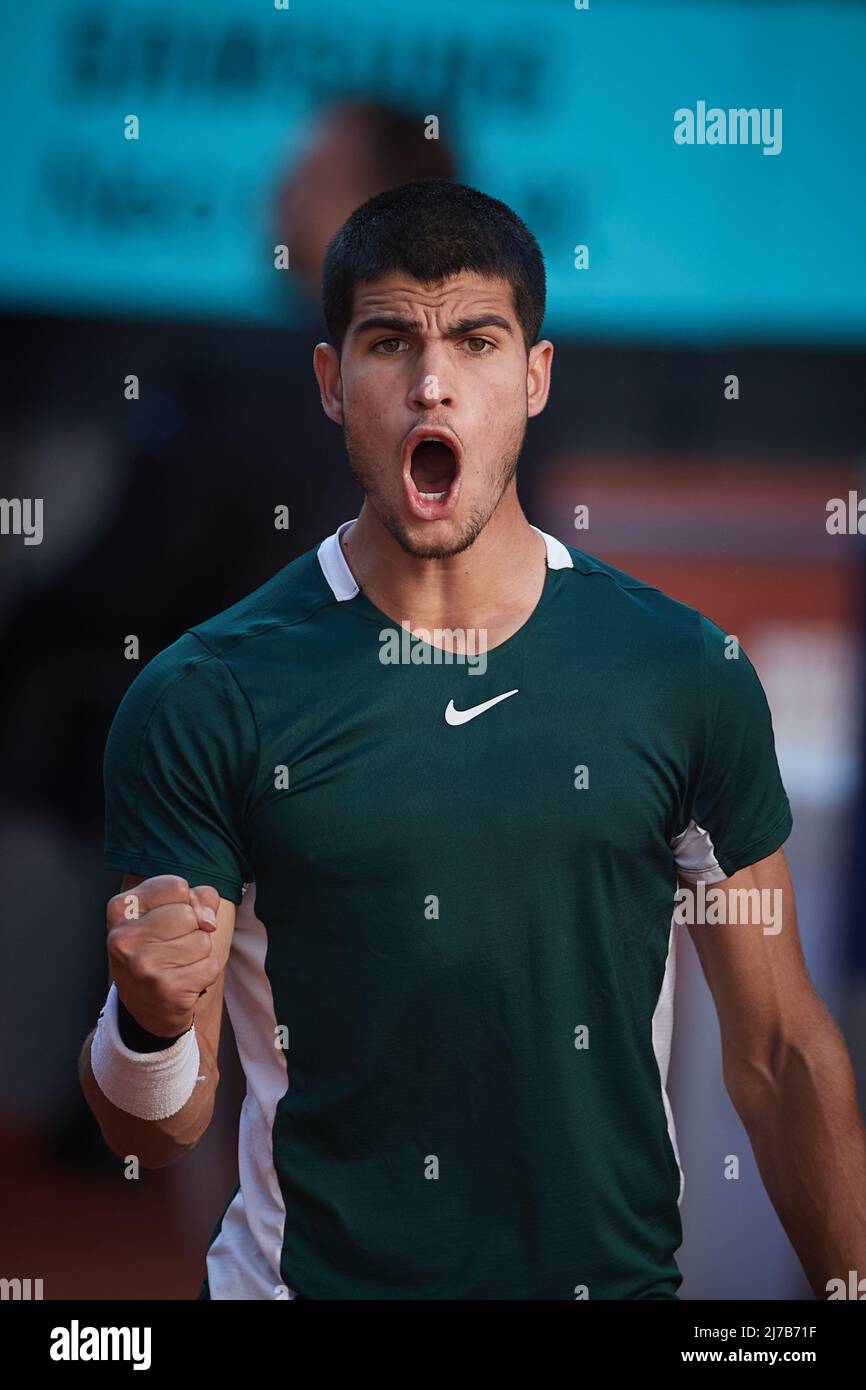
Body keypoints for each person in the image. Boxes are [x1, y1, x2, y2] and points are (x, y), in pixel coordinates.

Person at [79, 179, 866, 1300]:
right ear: (329, 383)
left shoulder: (682, 673)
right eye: (389, 340)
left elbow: (780, 1051)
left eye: (477, 340)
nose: (431, 383)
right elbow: (154, 1129)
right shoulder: (204, 696)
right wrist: (144, 1025)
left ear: (535, 378)